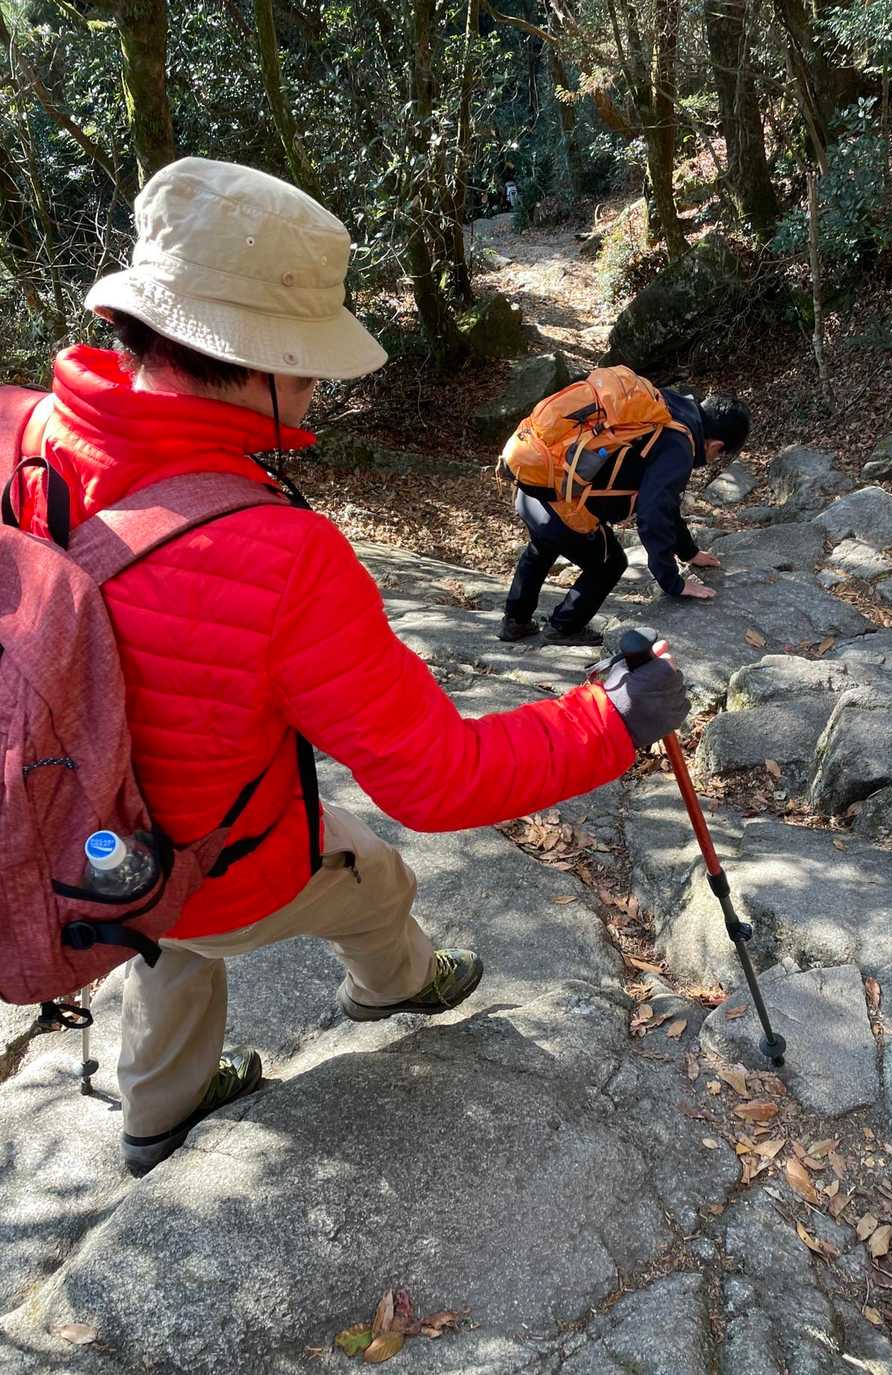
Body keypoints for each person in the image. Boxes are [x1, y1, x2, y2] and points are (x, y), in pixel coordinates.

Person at [13, 158, 689, 1174]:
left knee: (164, 917)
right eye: (306, 360)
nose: (318, 384)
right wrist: (613, 716)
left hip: (83, 837)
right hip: (211, 865)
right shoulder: (281, 555)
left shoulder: (26, 432)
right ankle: (395, 986)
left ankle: (159, 1115)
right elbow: (437, 778)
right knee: (370, 873)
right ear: (253, 360)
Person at [499, 384, 751, 646]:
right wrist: (673, 582)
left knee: (543, 545)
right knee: (610, 563)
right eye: (717, 455)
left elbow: (666, 504)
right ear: (716, 445)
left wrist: (688, 552)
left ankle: (515, 622)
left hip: (534, 480)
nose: (712, 459)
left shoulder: (663, 405)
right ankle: (563, 628)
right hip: (559, 505)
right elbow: (653, 514)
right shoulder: (679, 446)